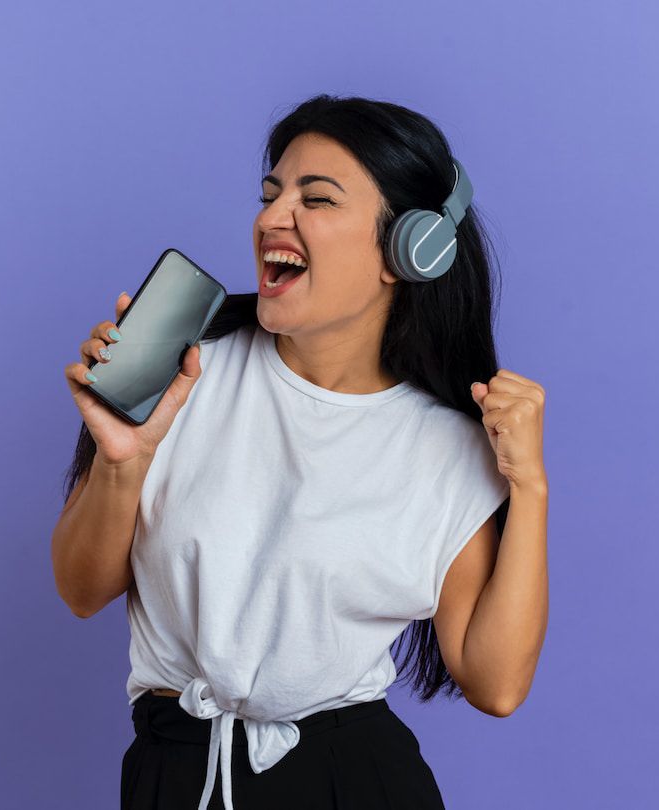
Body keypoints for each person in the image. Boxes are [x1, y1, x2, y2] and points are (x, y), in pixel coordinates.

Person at [54, 94, 550, 810]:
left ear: (407, 250)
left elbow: (495, 684)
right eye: (270, 193)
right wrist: (122, 462)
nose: (271, 218)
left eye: (316, 199)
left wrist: (529, 488)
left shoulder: (446, 447)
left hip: (351, 780)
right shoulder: (185, 365)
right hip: (175, 767)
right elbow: (79, 590)